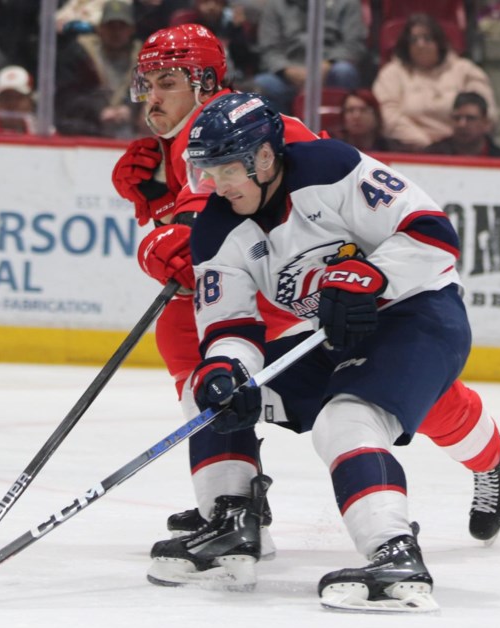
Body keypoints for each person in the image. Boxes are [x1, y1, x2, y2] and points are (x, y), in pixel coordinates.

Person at [144, 93, 500, 612]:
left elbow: (432, 233)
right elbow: (231, 324)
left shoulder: (332, 168)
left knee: (345, 420)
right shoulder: (217, 228)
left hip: (418, 315)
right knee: (210, 394)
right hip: (326, 333)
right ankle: (231, 526)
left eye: (226, 169)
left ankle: (394, 553)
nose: (216, 186)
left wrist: (372, 274)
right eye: (205, 172)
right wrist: (228, 367)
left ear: (263, 158)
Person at [110, 23, 321, 551]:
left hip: (319, 274)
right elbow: (205, 228)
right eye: (147, 85)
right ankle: (233, 502)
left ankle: (233, 506)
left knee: (400, 388)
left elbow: (203, 233)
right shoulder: (191, 133)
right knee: (188, 329)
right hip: (285, 271)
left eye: (167, 83)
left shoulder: (217, 127)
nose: (152, 99)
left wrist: (161, 236)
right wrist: (161, 201)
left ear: (204, 84)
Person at [372, 13, 499, 152]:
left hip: (460, 150)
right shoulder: (391, 73)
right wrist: (425, 142)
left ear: (439, 42)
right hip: (407, 149)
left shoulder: (465, 70)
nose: (420, 45)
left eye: (427, 38)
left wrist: (453, 142)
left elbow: (486, 113)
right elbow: (387, 115)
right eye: (414, 40)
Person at [252, 0, 366, 115]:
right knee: (263, 83)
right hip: (289, 72)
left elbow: (353, 44)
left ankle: (341, 127)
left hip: (331, 68)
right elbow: (269, 49)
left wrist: (327, 65)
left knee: (344, 71)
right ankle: (283, 130)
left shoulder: (347, 3)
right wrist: (288, 70)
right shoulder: (275, 5)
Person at [54, 0, 143, 138]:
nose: (116, 32)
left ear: (132, 30)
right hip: (87, 131)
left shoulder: (143, 59)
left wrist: (130, 108)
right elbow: (67, 96)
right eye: (111, 26)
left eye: (122, 26)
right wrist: (98, 110)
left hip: (131, 133)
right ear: (99, 28)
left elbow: (147, 93)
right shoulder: (80, 54)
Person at [425, 91, 500, 158]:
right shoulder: (432, 155)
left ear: (485, 123)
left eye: (470, 118)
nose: (462, 124)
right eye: (457, 118)